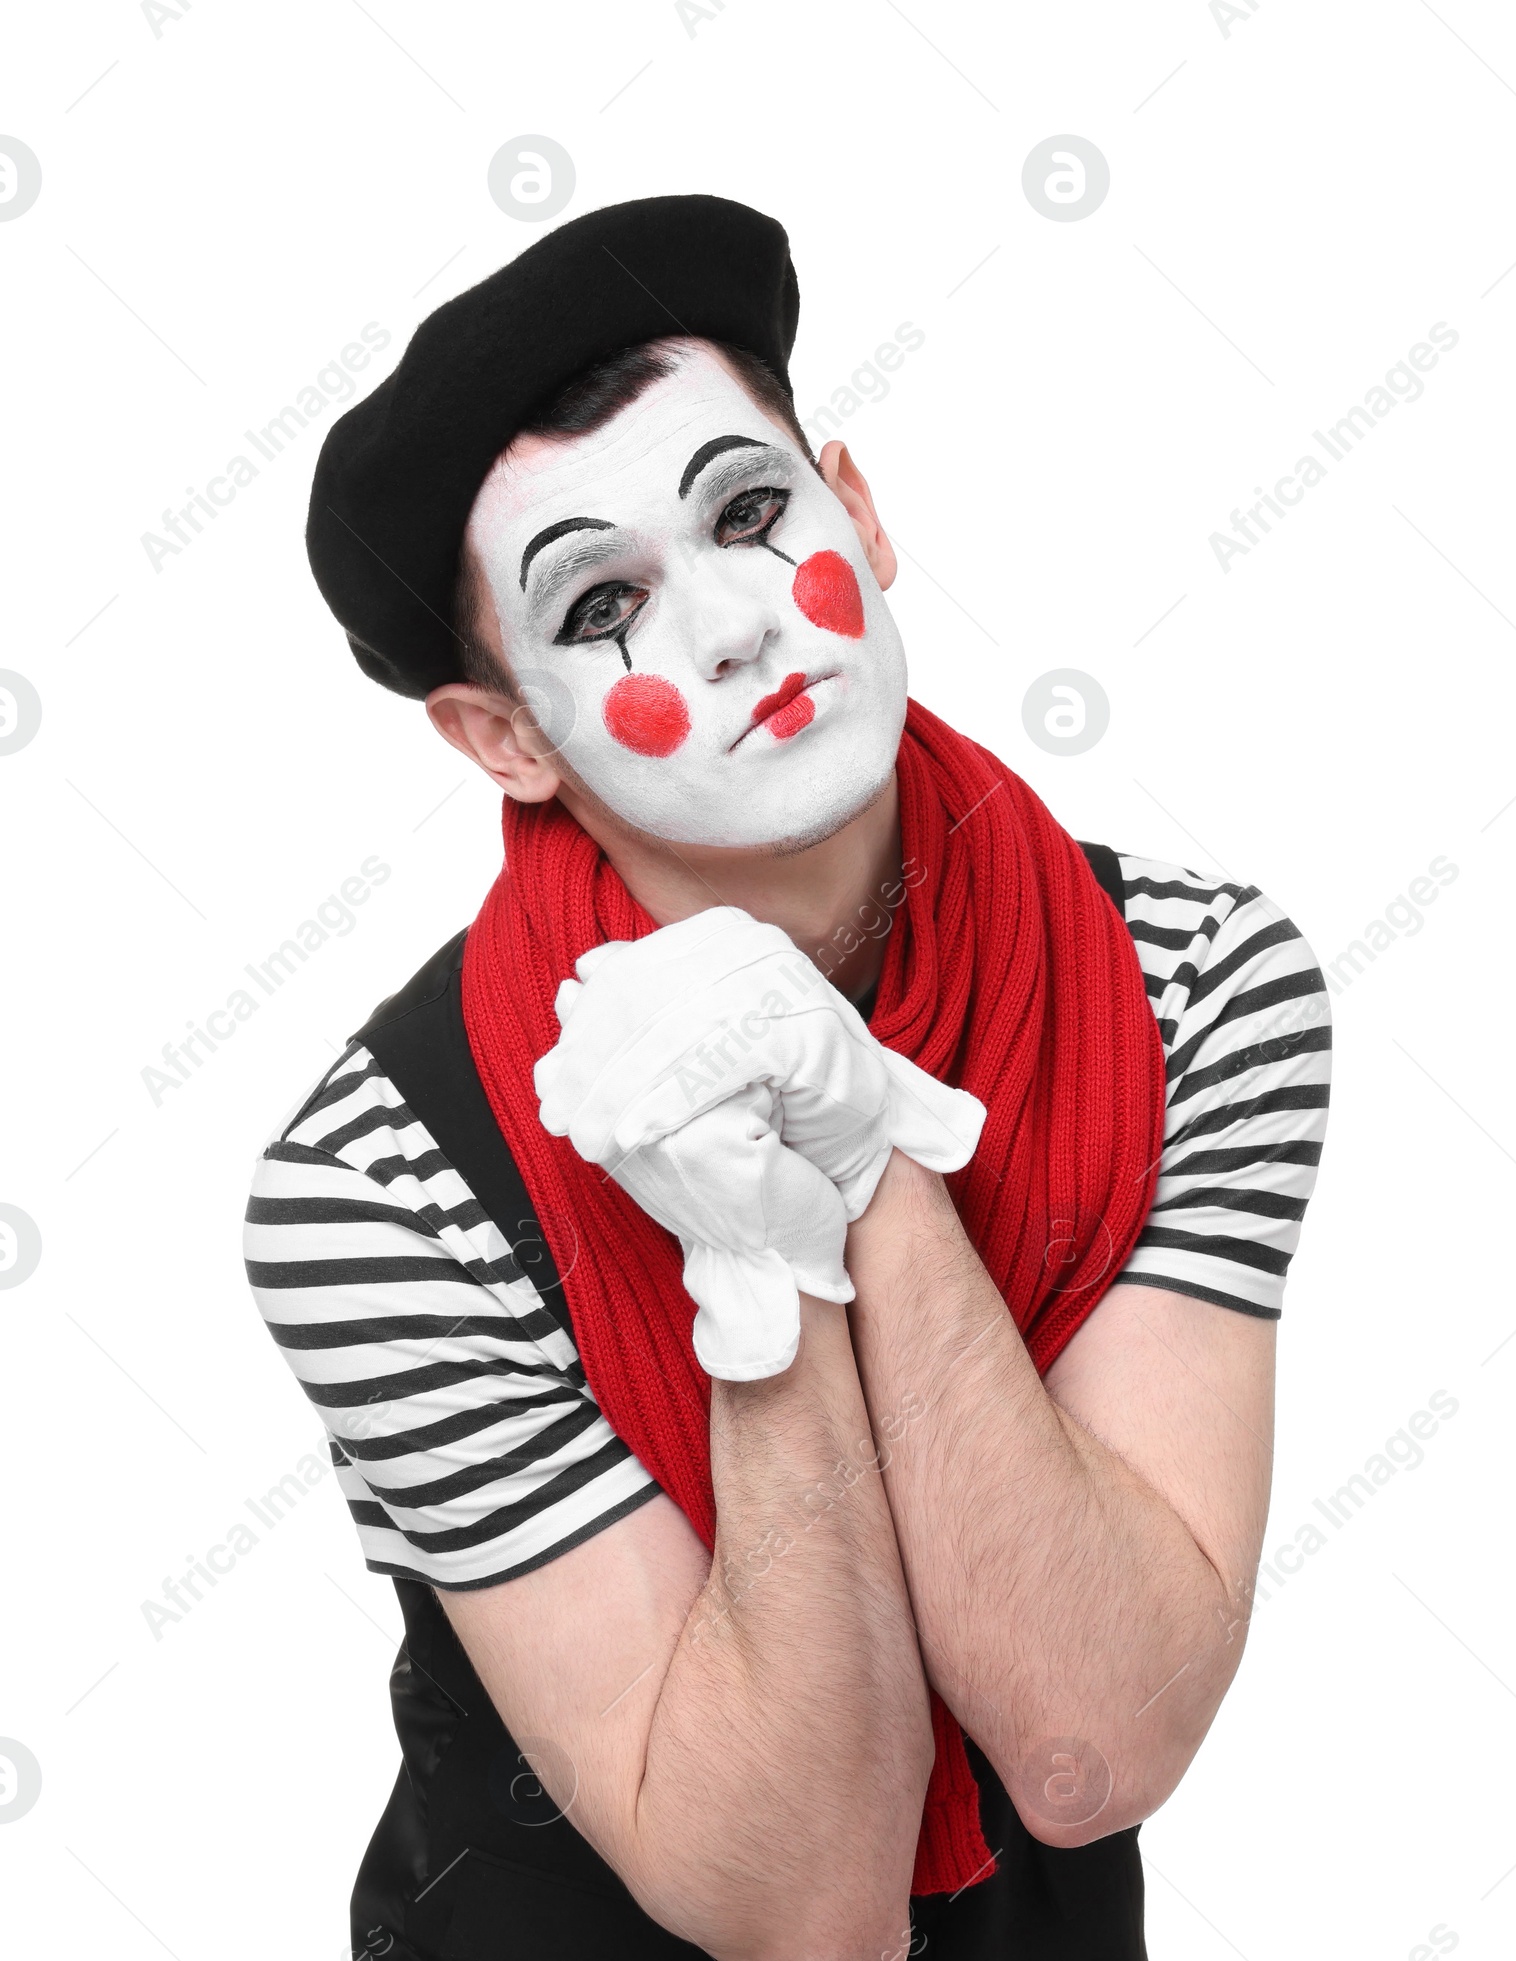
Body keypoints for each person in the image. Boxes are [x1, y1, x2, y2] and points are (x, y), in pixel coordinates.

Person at [244, 194, 1331, 1961]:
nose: (739, 628)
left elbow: (1087, 1745)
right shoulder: (378, 1185)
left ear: (863, 509)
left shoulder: (1198, 989)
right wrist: (754, 1272)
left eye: (752, 514)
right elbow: (805, 1911)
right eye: (603, 600)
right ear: (503, 735)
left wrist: (871, 1157)